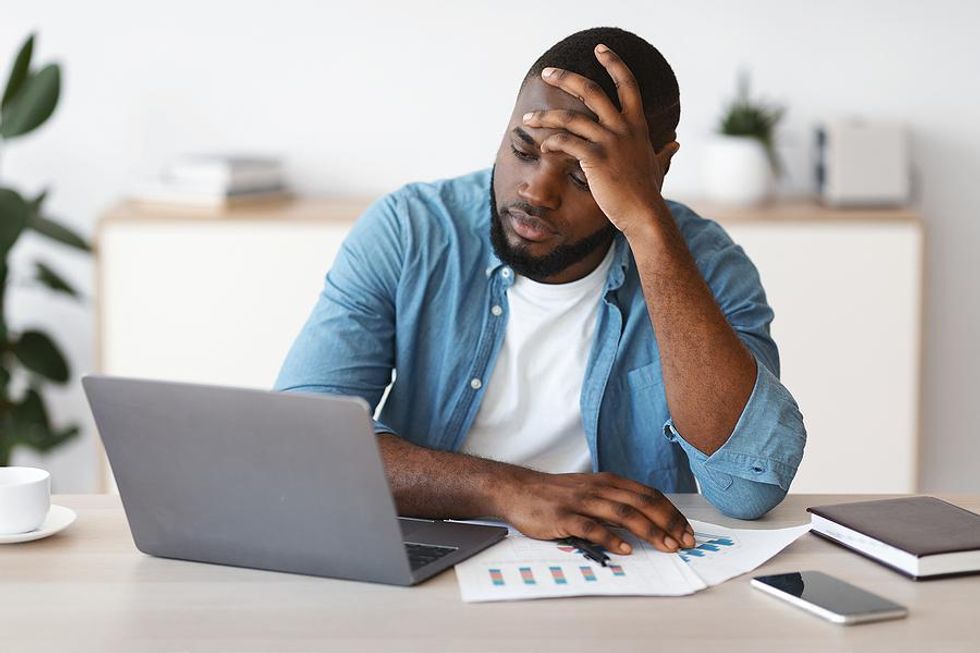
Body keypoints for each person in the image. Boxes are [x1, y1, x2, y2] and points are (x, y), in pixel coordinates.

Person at [275, 26, 805, 556]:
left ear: (655, 169)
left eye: (580, 176)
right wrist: (506, 489)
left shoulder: (708, 267)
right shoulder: (411, 230)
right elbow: (300, 442)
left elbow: (746, 489)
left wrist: (648, 228)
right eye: (522, 150)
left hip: (625, 569)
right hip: (440, 556)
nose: (536, 190)